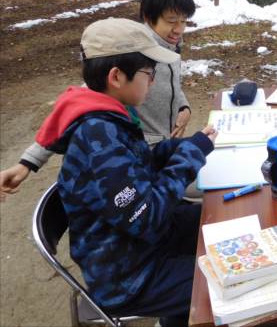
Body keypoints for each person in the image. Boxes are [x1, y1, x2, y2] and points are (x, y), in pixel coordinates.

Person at [44, 18, 215, 327]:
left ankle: (177, 317)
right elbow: (146, 217)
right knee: (223, 278)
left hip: (137, 246)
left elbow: (138, 166)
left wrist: (177, 148)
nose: (152, 82)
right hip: (127, 275)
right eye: (149, 74)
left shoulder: (109, 117)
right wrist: (190, 156)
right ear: (116, 76)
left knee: (215, 217)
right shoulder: (97, 137)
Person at [1, 0, 202, 201]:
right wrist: (28, 162)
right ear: (148, 17)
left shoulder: (170, 47)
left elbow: (173, 83)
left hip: (163, 151)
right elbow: (74, 107)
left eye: (184, 21)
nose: (179, 29)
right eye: (172, 20)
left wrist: (183, 107)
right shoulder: (132, 54)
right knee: (215, 188)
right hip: (144, 161)